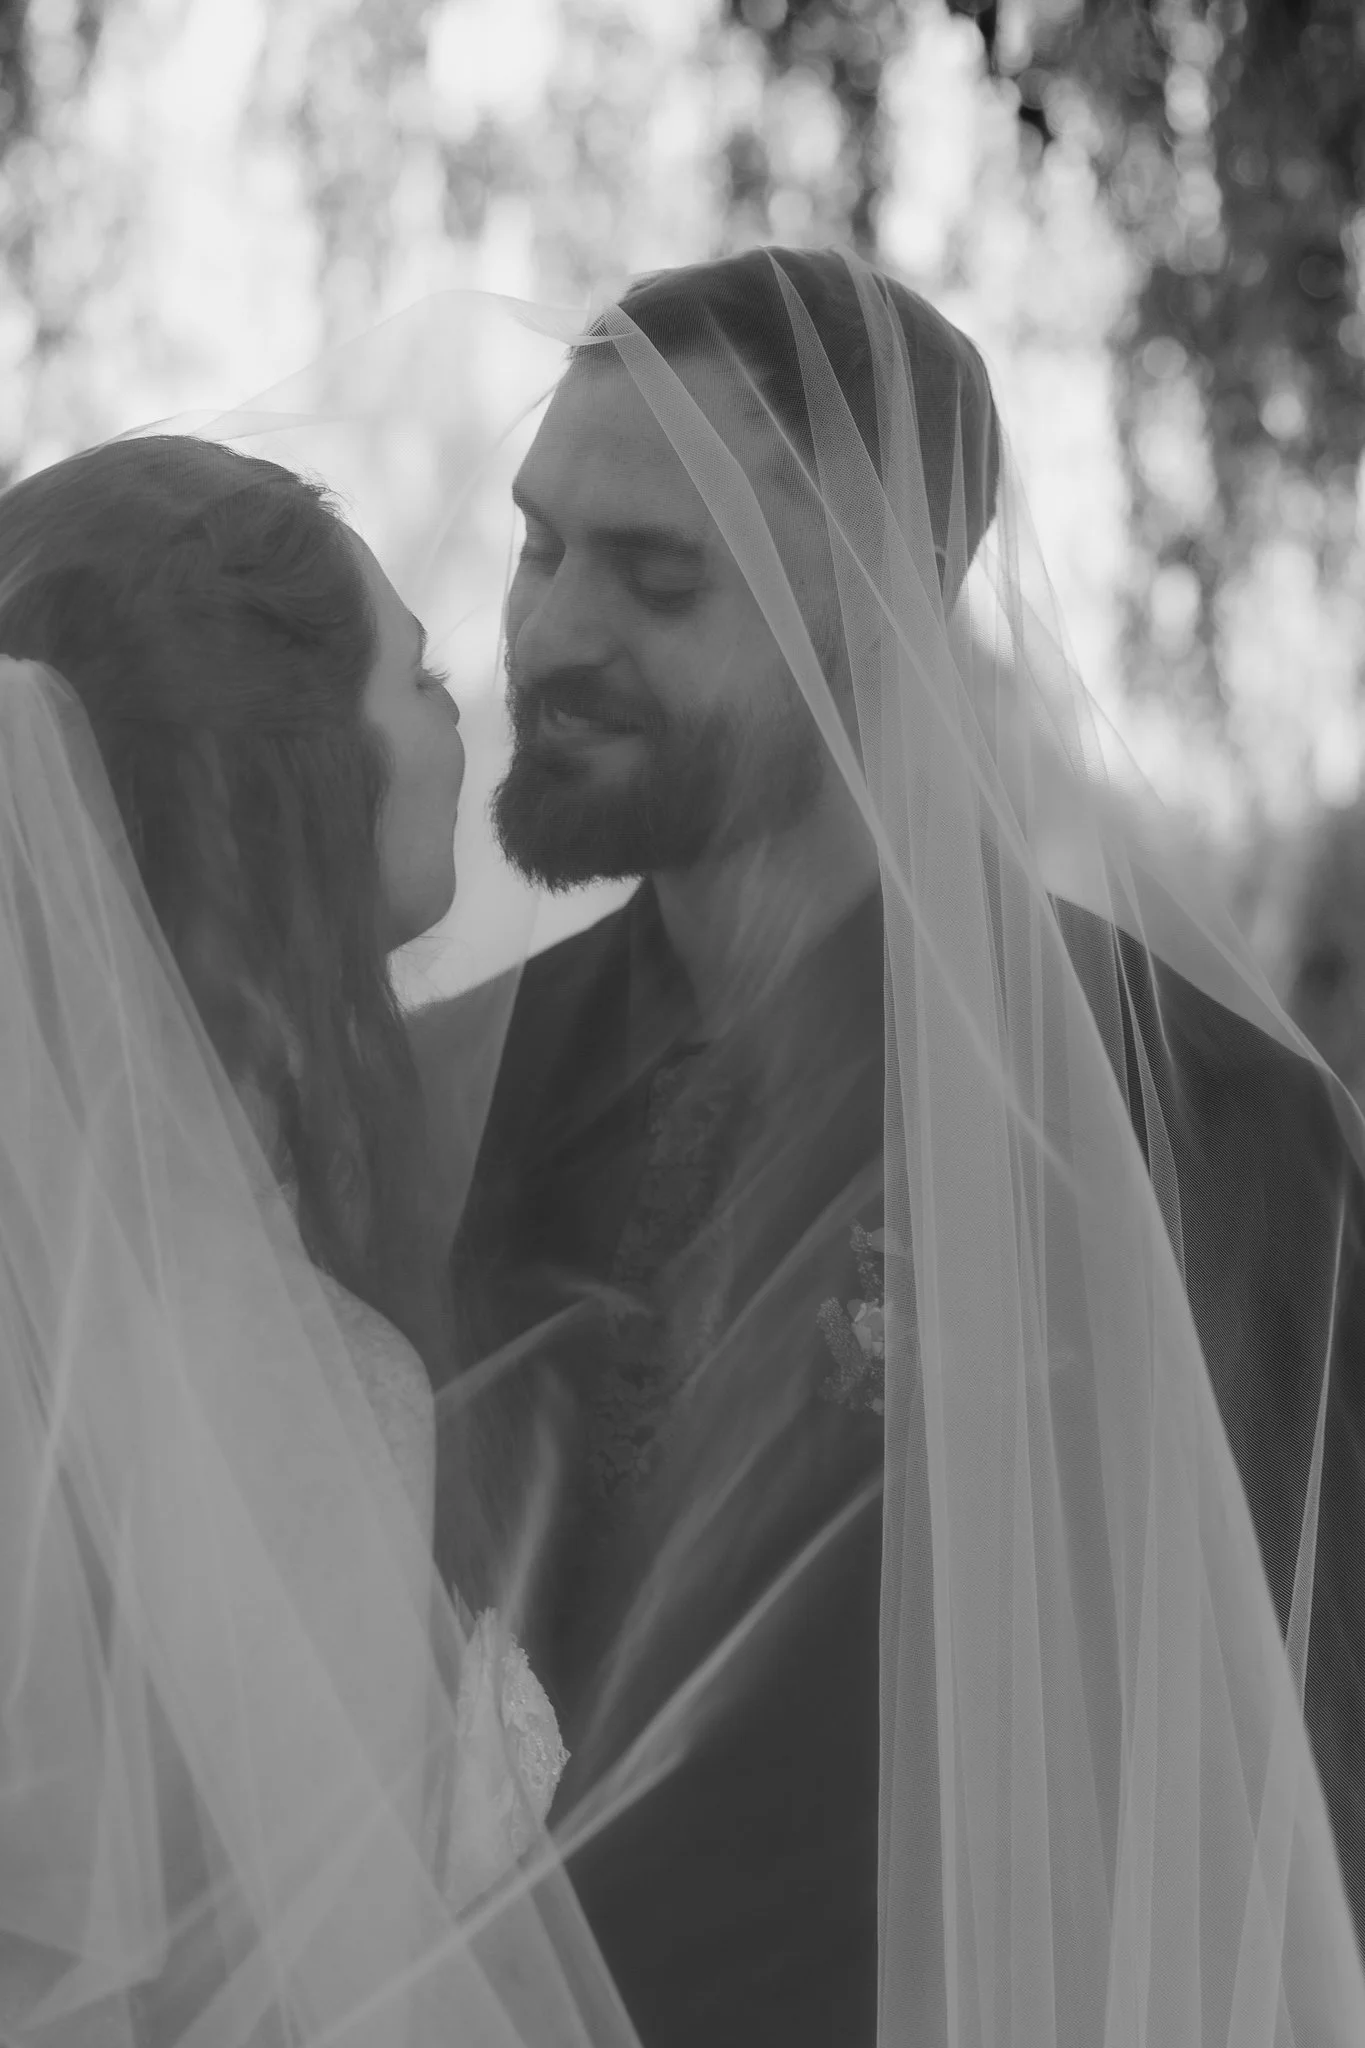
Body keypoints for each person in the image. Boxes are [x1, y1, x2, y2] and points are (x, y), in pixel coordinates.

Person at [416, 249, 1365, 2046]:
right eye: (541, 549)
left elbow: (1325, 1764)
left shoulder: (1218, 1128)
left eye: (659, 578)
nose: (547, 640)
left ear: (876, 609)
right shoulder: (469, 1101)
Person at [0, 435, 618, 2047]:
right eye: (414, 680)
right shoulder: (268, 1359)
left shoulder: (87, 1266)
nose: (462, 713)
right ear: (286, 769)